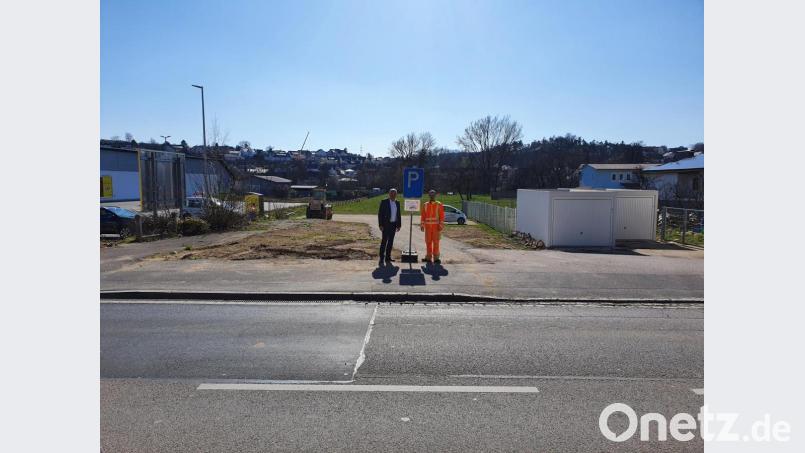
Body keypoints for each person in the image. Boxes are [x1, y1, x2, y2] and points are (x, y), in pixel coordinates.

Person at [377, 188, 402, 265]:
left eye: (394, 194)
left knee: (390, 242)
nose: (393, 195)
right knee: (384, 241)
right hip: (385, 225)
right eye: (391, 193)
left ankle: (388, 257)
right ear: (389, 194)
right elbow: (380, 214)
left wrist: (399, 225)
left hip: (393, 225)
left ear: (396, 195)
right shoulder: (384, 202)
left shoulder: (397, 202)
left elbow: (398, 214)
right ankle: (381, 258)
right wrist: (380, 225)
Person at [420, 189, 445, 264]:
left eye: (433, 195)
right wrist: (422, 225)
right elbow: (423, 216)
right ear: (429, 195)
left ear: (435, 195)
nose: (432, 196)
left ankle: (436, 258)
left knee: (436, 242)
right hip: (428, 227)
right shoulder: (425, 205)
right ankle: (428, 257)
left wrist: (440, 226)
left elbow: (442, 216)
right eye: (431, 195)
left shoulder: (439, 204)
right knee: (428, 242)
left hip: (436, 227)